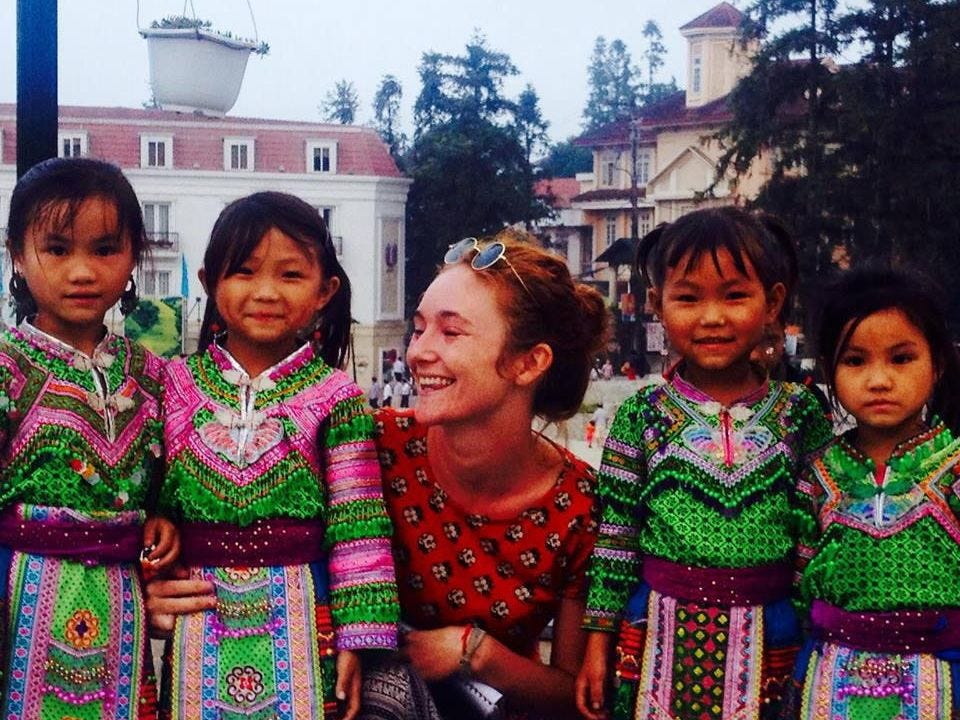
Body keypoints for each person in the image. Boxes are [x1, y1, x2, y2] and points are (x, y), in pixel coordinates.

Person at [147, 192, 398, 720]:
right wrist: (152, 566)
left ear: (325, 291)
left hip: (304, 615)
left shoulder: (336, 397)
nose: (265, 292)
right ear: (210, 281)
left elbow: (359, 525)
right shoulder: (173, 385)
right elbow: (144, 498)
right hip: (199, 615)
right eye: (243, 271)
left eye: (290, 275)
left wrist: (358, 639)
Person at [576, 207, 834, 720]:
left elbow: (817, 537)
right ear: (657, 304)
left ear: (772, 303)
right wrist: (598, 641)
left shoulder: (801, 413)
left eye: (734, 296)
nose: (711, 317)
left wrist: (815, 636)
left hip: (774, 641)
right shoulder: (641, 415)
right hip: (656, 640)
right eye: (688, 298)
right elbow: (616, 539)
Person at [364, 229, 611, 720]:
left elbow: (576, 698)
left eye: (450, 332)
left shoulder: (580, 507)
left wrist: (475, 652)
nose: (418, 352)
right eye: (419, 329)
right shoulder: (376, 447)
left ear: (529, 363)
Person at [0, 157, 178, 719]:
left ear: (133, 257)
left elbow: (170, 488)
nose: (82, 271)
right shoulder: (7, 368)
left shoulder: (152, 375)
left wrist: (163, 521)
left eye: (104, 249)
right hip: (19, 597)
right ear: (17, 254)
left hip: (124, 604)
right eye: (57, 249)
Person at [784, 265, 960, 719]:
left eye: (901, 359)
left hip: (941, 682)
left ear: (937, 364)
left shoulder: (954, 467)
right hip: (831, 681)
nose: (878, 380)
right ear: (830, 369)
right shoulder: (819, 474)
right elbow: (801, 583)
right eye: (855, 361)